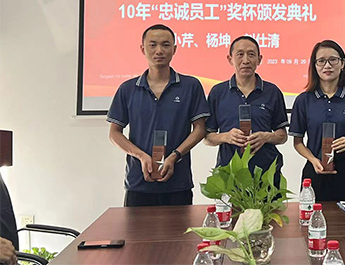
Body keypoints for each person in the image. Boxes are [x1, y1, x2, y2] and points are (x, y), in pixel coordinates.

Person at [107, 24, 209, 207]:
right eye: (153, 45)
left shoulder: (190, 86)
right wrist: (141, 156)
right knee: (136, 228)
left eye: (165, 45)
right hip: (138, 182)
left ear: (174, 49)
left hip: (178, 183)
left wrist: (175, 155)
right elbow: (114, 133)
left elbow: (200, 129)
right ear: (142, 49)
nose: (159, 50)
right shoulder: (128, 89)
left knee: (179, 227)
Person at [289, 40, 345, 201]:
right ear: (314, 66)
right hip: (315, 171)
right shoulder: (304, 100)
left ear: (342, 63)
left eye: (333, 60)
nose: (327, 66)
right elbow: (297, 142)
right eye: (321, 61)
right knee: (311, 215)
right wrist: (313, 160)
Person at [204, 36, 288, 180]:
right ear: (230, 59)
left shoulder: (272, 92)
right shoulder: (218, 92)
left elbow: (282, 135)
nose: (246, 60)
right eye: (240, 54)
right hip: (229, 174)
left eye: (251, 54)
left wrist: (266, 137)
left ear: (259, 59)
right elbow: (207, 137)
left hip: (266, 174)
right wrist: (226, 136)